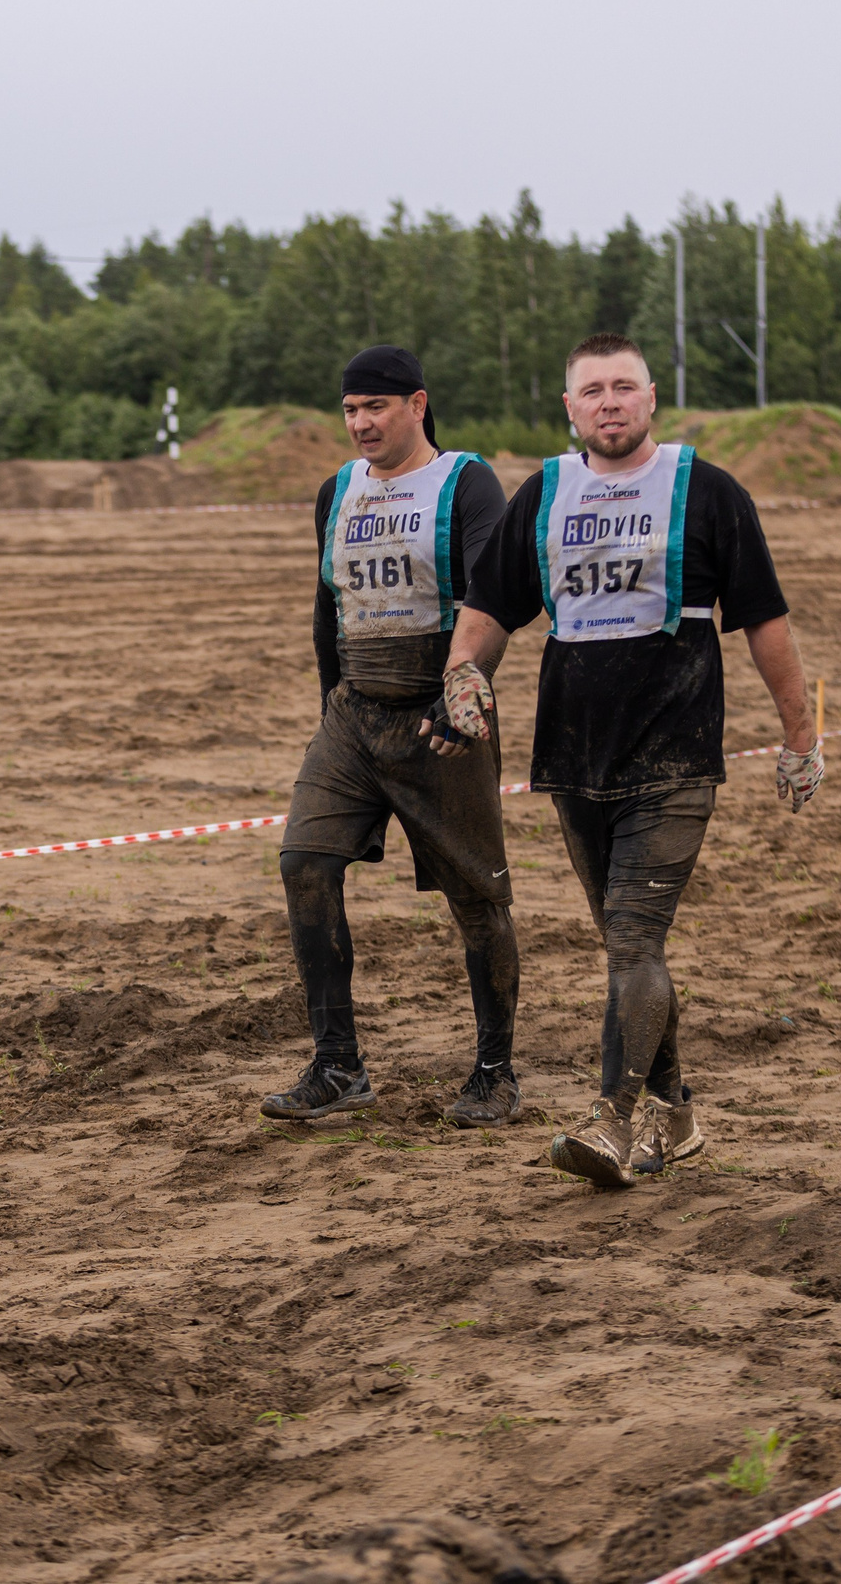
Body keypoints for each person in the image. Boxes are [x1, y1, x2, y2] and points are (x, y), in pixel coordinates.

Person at [435, 331, 821, 1187]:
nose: (609, 402)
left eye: (624, 387)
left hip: (677, 756)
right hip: (575, 760)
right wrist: (461, 684)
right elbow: (491, 607)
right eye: (592, 391)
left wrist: (800, 737)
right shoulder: (545, 493)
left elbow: (763, 620)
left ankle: (611, 1121)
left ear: (651, 399)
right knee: (625, 944)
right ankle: (676, 1112)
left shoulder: (708, 492)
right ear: (570, 408)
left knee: (633, 941)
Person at [260, 344, 520, 1130]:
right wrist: (325, 708)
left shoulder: (465, 481)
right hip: (353, 713)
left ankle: (494, 1073)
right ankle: (338, 1066)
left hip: (439, 713)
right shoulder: (335, 491)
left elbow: (494, 592)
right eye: (348, 410)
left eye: (375, 407)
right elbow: (324, 611)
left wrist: (461, 687)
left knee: (477, 898)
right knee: (304, 862)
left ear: (417, 404)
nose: (360, 423)